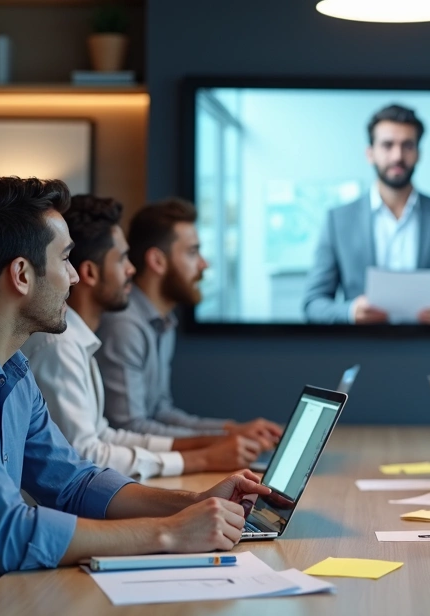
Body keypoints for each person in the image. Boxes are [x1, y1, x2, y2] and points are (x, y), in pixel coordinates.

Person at [0, 178, 273, 616]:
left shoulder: (12, 369)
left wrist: (191, 503)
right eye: (64, 258)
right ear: (21, 274)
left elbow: (74, 484)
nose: (76, 275)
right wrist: (170, 533)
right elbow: (10, 534)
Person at [24, 195, 274, 479]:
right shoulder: (63, 343)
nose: (131, 268)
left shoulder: (82, 339)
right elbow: (92, 451)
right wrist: (201, 457)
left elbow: (108, 433)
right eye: (121, 259)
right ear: (90, 272)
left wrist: (220, 438)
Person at [95, 197, 280, 462]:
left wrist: (231, 429)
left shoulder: (163, 322)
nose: (203, 264)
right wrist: (220, 443)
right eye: (193, 252)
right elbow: (130, 427)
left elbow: (160, 411)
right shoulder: (124, 326)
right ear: (157, 261)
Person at [302, 103, 430, 325]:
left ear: (418, 153)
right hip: (362, 351)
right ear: (370, 153)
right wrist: (350, 313)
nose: (397, 156)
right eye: (387, 145)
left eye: (407, 146)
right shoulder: (338, 220)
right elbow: (313, 304)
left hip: (429, 351)